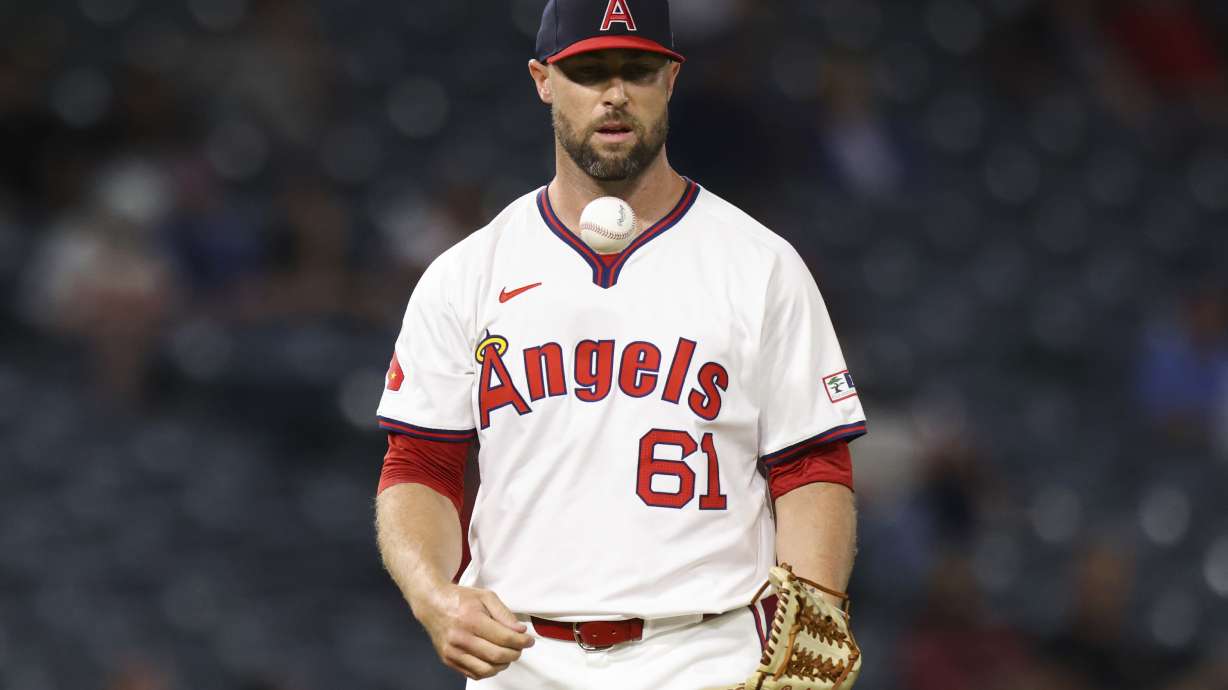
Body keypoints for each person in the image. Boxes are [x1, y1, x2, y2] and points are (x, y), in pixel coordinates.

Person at [373, 1, 867, 687]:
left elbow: (811, 465)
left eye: (635, 69)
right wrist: (435, 597)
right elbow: (421, 465)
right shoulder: (467, 275)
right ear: (543, 79)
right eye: (587, 71)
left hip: (707, 652)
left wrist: (815, 615)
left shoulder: (760, 265)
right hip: (521, 658)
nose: (613, 93)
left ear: (670, 77)